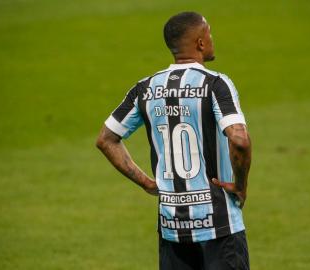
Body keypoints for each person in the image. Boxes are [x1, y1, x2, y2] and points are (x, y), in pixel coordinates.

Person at [96, 11, 252, 270]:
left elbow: (106, 139)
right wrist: (241, 185)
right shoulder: (216, 84)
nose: (212, 39)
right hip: (220, 226)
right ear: (201, 43)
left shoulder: (145, 88)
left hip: (172, 227)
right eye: (209, 33)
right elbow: (240, 140)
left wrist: (146, 182)